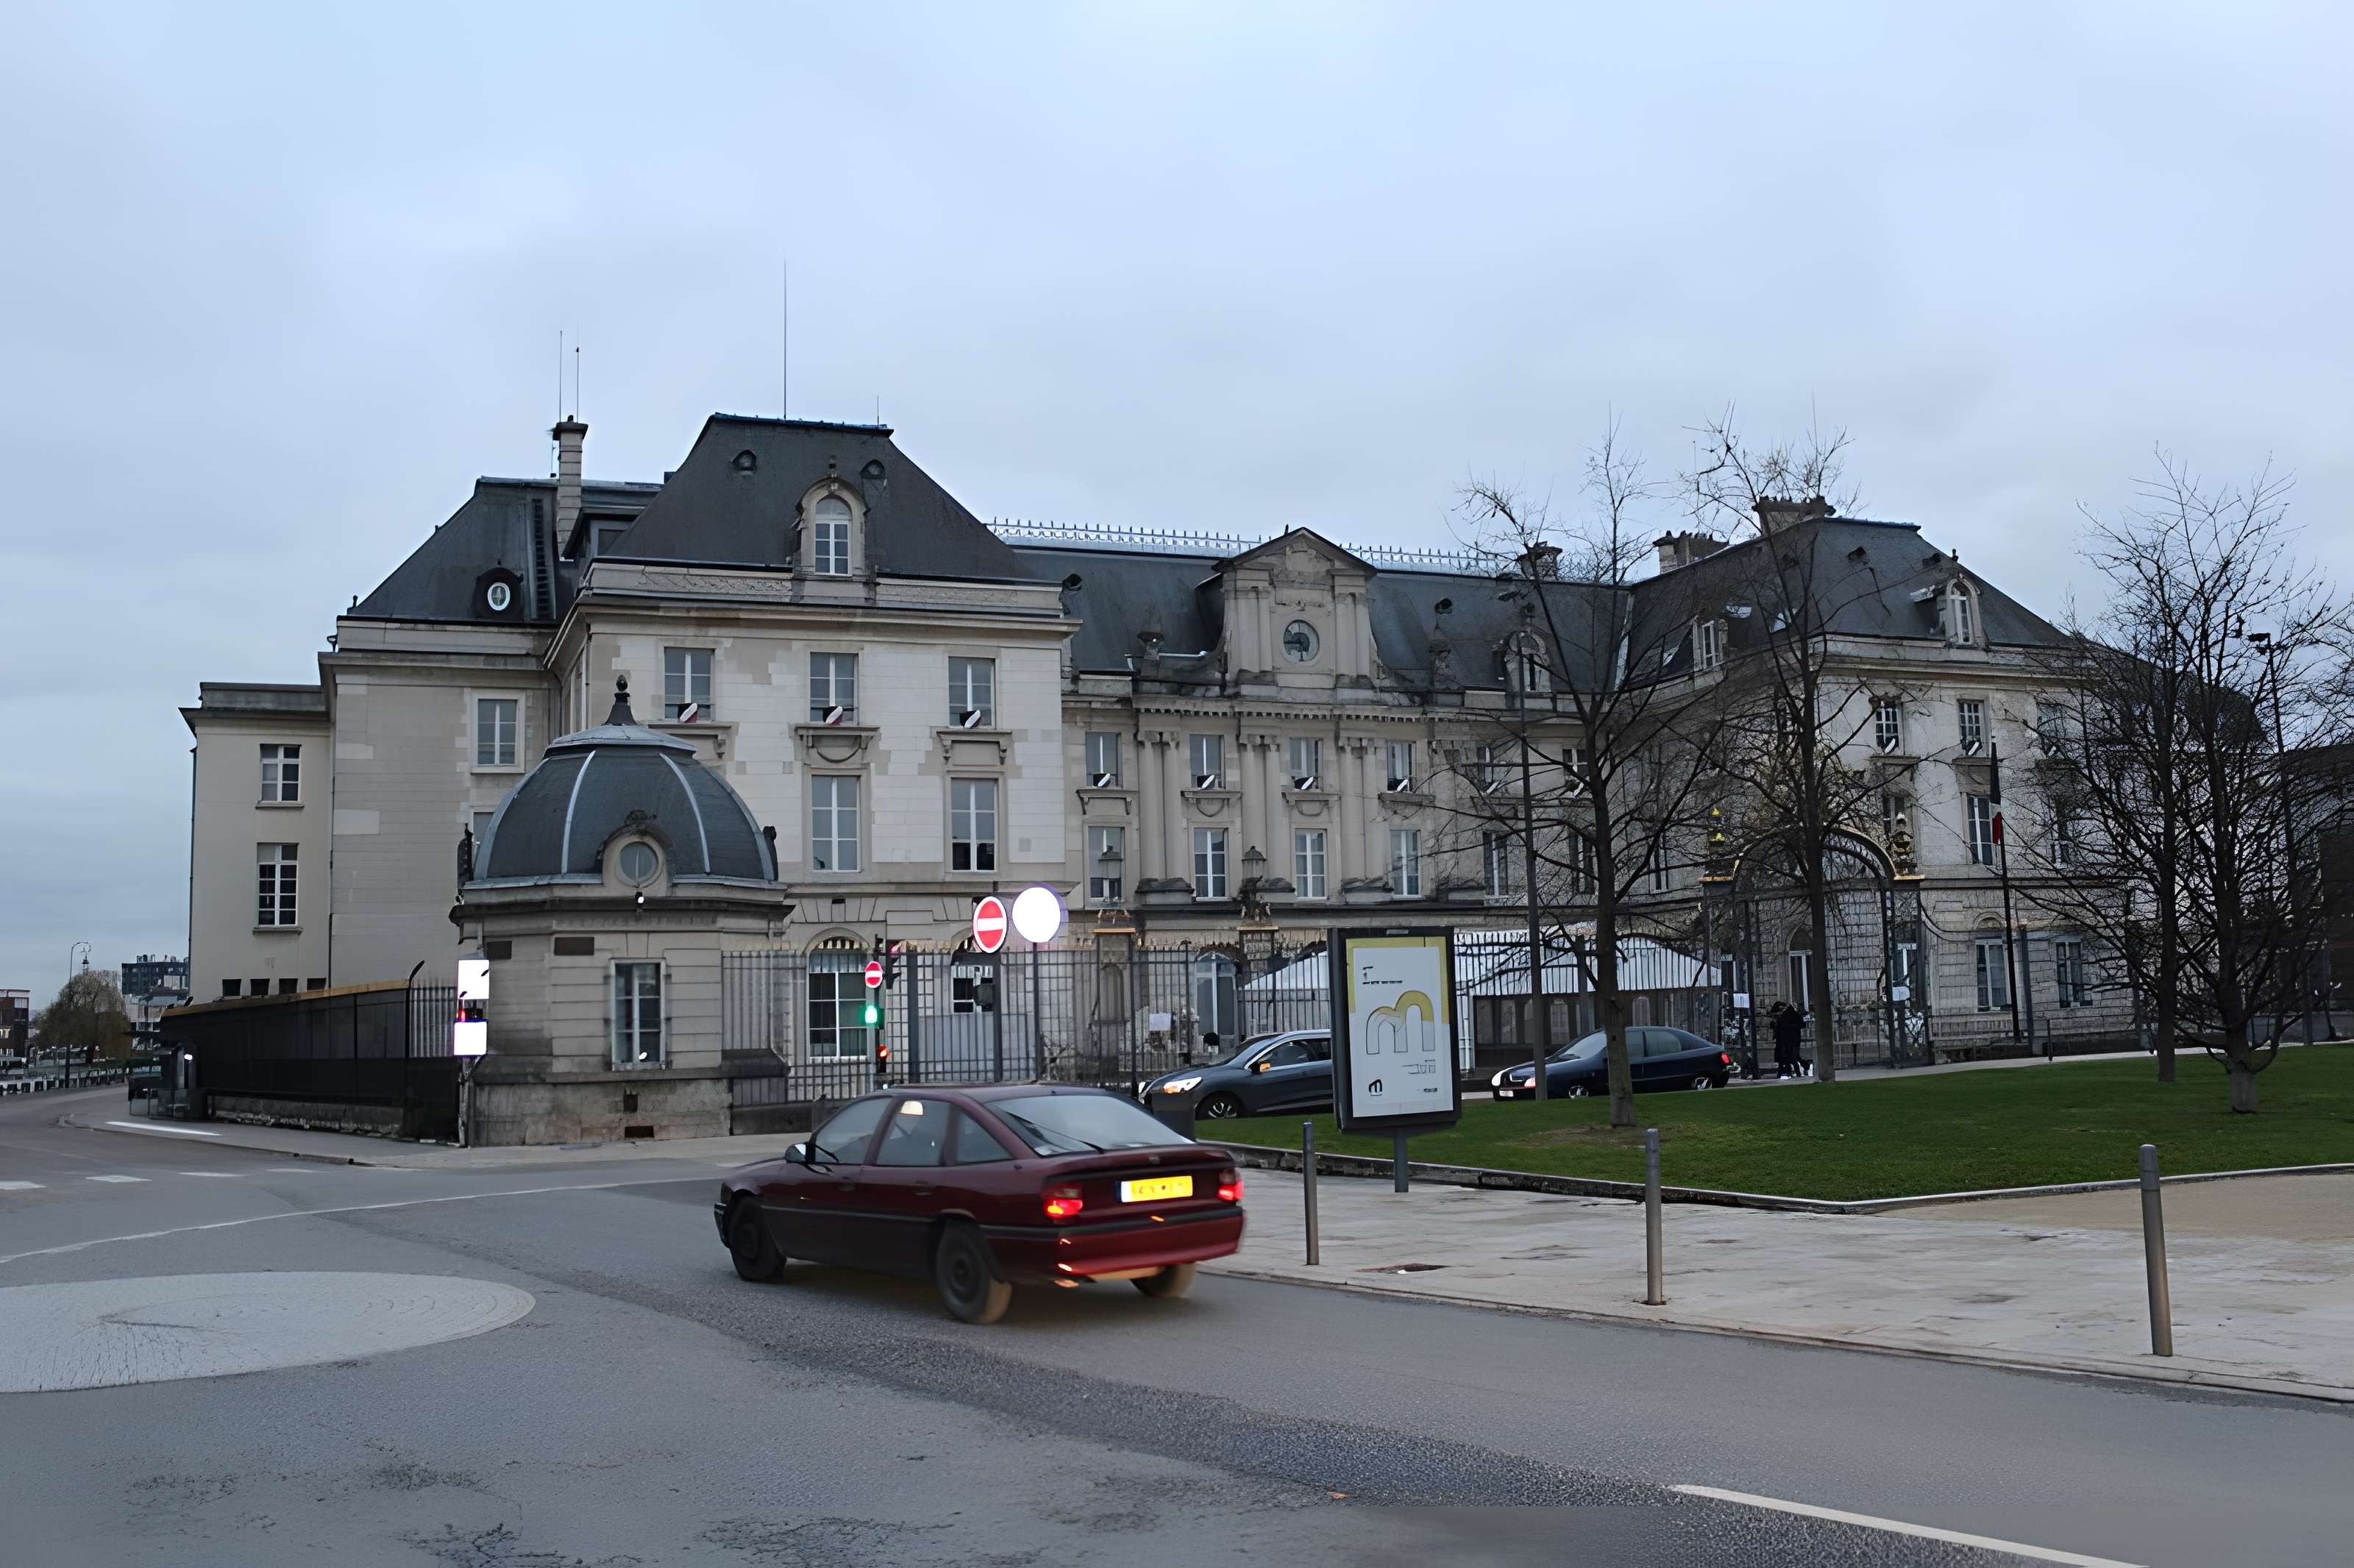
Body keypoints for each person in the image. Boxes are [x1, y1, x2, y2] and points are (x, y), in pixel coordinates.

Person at [1771, 1002, 1804, 1080]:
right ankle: (1796, 1074)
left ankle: (1786, 1074)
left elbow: (1778, 1029)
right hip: (1794, 1040)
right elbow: (1801, 1025)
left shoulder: (1783, 1017)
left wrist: (1776, 1036)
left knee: (1785, 1058)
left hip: (1785, 1041)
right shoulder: (1794, 1015)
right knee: (1793, 1058)